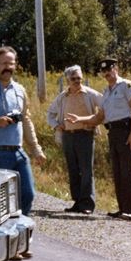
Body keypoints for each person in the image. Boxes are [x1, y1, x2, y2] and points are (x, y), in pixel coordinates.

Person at [0, 46, 46, 216]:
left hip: (18, 152)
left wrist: (36, 149)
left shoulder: (20, 90)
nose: (8, 67)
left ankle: (21, 232)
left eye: (11, 63)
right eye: (4, 63)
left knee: (28, 195)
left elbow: (26, 120)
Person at [47, 65, 103, 214]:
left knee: (86, 170)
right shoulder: (62, 97)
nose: (77, 81)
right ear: (67, 80)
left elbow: (105, 106)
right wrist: (56, 126)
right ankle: (77, 202)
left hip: (85, 135)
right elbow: (50, 114)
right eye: (73, 79)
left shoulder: (91, 94)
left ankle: (87, 204)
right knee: (73, 170)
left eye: (79, 78)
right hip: (68, 137)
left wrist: (96, 121)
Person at [94, 58, 131, 221]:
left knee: (127, 172)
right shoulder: (106, 91)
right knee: (118, 172)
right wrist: (80, 120)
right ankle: (122, 209)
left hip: (125, 130)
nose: (107, 73)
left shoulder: (126, 85)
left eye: (110, 69)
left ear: (116, 68)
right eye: (104, 71)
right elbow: (100, 116)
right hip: (112, 133)